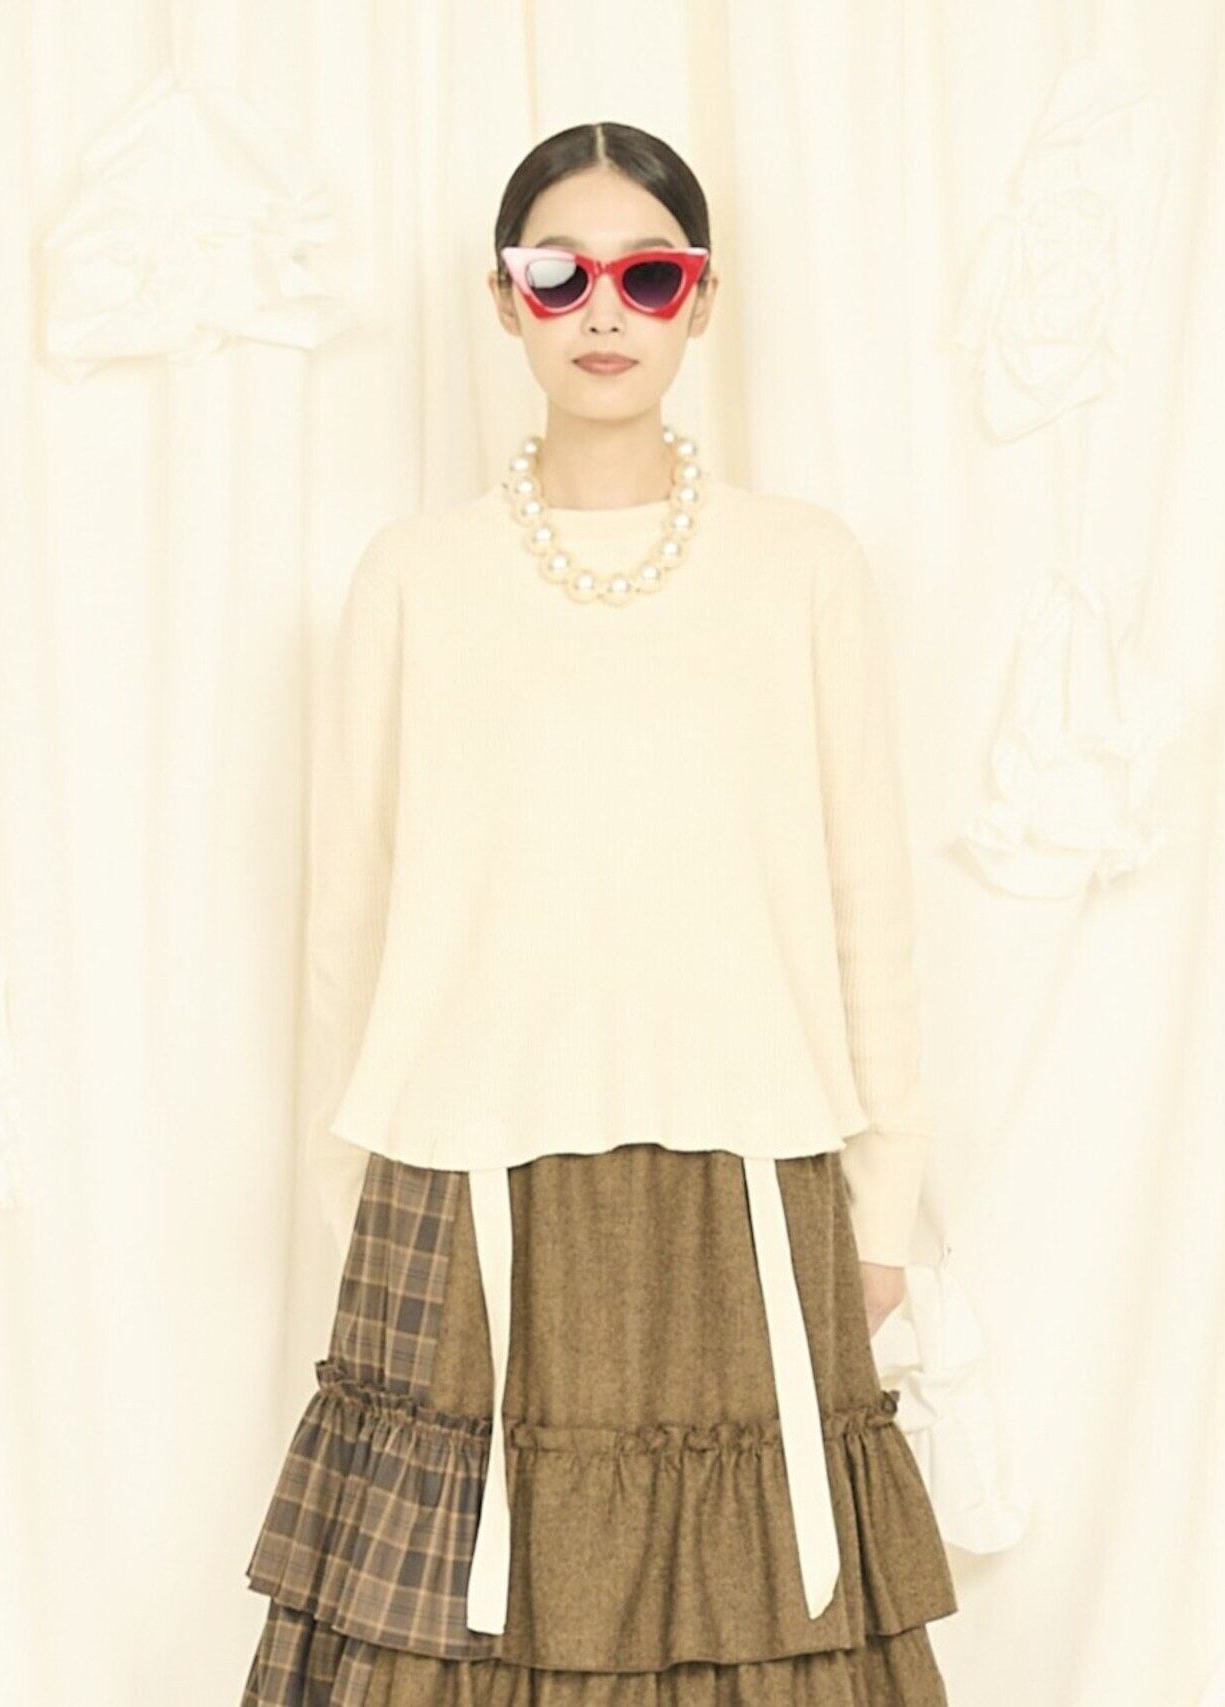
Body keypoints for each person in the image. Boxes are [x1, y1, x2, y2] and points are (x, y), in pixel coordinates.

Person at [241, 119, 958, 1706]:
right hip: (463, 1166)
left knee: (760, 1622)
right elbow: (346, 920)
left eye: (650, 274)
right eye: (559, 276)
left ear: (704, 299)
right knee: (444, 1637)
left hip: (750, 1173)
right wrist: (347, 1189)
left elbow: (870, 898)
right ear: (505, 301)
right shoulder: (415, 577)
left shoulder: (803, 567)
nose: (605, 312)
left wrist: (885, 1200)